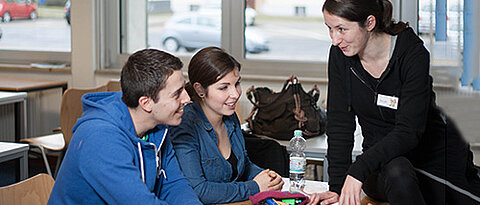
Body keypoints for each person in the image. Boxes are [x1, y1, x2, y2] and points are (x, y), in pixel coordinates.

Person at [308, 0, 480, 204]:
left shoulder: (412, 53)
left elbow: (408, 132)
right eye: (330, 29)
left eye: (341, 29)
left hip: (435, 162)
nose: (335, 39)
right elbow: (339, 124)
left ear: (369, 23)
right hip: (382, 165)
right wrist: (337, 186)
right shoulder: (340, 56)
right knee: (397, 170)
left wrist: (357, 169)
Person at [48, 49, 202, 204]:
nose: (187, 98)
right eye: (177, 93)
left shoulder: (158, 125)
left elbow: (175, 185)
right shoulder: (100, 139)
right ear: (146, 103)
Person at [168, 47, 284, 204]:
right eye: (224, 87)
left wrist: (267, 177)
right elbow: (199, 191)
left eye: (237, 84)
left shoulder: (229, 116)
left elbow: (244, 166)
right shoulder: (185, 125)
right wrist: (256, 186)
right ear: (200, 89)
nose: (235, 94)